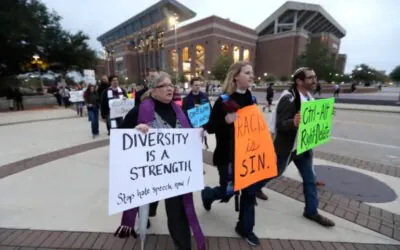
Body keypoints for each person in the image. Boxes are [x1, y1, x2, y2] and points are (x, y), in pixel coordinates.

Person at [115, 72, 205, 250]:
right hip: (152, 174)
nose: (170, 88)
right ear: (154, 91)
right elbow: (121, 138)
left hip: (175, 173)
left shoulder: (179, 110)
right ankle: (149, 211)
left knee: (178, 213)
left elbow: (187, 139)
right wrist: (136, 131)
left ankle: (183, 247)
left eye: (171, 84)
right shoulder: (141, 110)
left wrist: (197, 135)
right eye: (164, 85)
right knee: (150, 199)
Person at [201, 61, 266, 246]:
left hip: (248, 155)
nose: (251, 76)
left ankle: (245, 228)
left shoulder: (252, 100)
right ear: (236, 76)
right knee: (227, 191)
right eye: (247, 72)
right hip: (227, 155)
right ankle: (208, 194)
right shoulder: (223, 100)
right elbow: (210, 127)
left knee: (249, 192)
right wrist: (225, 120)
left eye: (252, 72)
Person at [270, 67, 335, 227]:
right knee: (273, 173)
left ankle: (311, 211)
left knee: (310, 180)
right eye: (310, 78)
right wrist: (293, 122)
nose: (314, 80)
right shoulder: (289, 99)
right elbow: (280, 125)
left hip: (304, 147)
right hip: (288, 148)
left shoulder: (309, 98)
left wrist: (325, 114)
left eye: (315, 77)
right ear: (299, 81)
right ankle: (251, 188)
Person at [182, 77, 211, 149]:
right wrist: (193, 109)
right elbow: (183, 113)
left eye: (199, 85)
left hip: (203, 125)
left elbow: (210, 109)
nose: (198, 87)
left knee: (202, 146)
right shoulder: (186, 99)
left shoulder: (205, 96)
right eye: (196, 85)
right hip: (192, 126)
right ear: (191, 86)